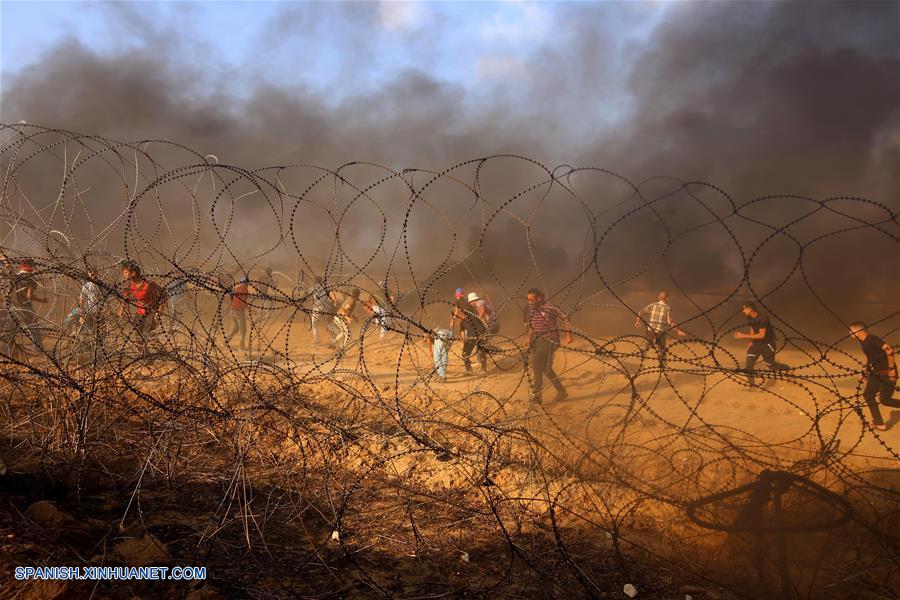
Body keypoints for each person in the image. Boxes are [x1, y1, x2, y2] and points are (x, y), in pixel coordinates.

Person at [524, 288, 573, 403]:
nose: (529, 303)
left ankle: (537, 395)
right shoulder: (531, 309)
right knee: (545, 369)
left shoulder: (550, 307)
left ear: (539, 298)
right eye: (528, 300)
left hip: (551, 340)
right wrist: (528, 338)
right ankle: (561, 391)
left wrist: (568, 335)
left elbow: (566, 318)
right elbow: (532, 326)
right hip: (537, 341)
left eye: (532, 300)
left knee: (536, 361)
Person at [849, 322, 899, 431]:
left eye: (851, 330)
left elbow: (889, 350)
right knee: (868, 395)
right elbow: (872, 358)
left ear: (859, 331)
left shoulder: (872, 339)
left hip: (887, 372)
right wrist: (865, 372)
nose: (849, 333)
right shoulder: (863, 342)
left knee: (885, 400)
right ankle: (879, 423)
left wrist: (891, 370)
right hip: (875, 373)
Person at [733, 302, 789, 388]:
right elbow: (752, 328)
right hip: (756, 344)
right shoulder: (749, 317)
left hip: (767, 344)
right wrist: (751, 341)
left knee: (771, 365)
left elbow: (761, 335)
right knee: (749, 365)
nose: (743, 311)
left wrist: (742, 335)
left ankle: (787, 368)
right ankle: (752, 385)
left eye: (744, 309)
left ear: (750, 309)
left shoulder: (763, 318)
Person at [119, 261, 166, 344]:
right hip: (140, 312)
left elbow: (163, 294)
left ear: (133, 273)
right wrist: (121, 310)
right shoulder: (130, 285)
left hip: (151, 312)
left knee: (149, 337)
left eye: (126, 272)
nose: (124, 274)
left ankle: (164, 354)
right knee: (137, 338)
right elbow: (125, 298)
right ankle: (145, 356)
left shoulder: (148, 284)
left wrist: (160, 310)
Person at [634, 291, 686, 367]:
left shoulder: (652, 305)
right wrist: (678, 331)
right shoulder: (667, 308)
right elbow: (670, 322)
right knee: (662, 349)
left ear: (658, 297)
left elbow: (640, 312)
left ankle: (644, 347)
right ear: (667, 298)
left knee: (649, 341)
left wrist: (638, 321)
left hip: (650, 330)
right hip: (660, 332)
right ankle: (663, 365)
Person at [9, 259, 48, 353]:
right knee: (34, 328)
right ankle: (39, 350)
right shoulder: (31, 278)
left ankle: (10, 349)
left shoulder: (16, 277)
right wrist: (41, 300)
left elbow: (10, 291)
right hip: (25, 307)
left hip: (12, 305)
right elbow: (29, 296)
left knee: (12, 329)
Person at [451, 296, 488, 373]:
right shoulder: (475, 316)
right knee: (481, 352)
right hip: (480, 336)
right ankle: (484, 370)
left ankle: (469, 370)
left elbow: (462, 334)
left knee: (465, 354)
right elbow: (463, 333)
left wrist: (465, 338)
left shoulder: (464, 319)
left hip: (473, 337)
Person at [226, 276, 250, 350]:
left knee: (236, 328)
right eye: (247, 283)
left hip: (233, 310)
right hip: (238, 312)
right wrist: (248, 309)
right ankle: (241, 346)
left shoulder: (237, 288)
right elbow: (243, 302)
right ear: (246, 283)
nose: (248, 284)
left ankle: (225, 342)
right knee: (242, 329)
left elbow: (232, 298)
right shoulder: (244, 290)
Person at [309, 275, 335, 344]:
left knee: (314, 323)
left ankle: (317, 339)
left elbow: (311, 299)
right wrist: (334, 301)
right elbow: (331, 294)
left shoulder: (312, 288)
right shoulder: (325, 288)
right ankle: (336, 332)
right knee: (325, 323)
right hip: (324, 307)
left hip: (316, 308)